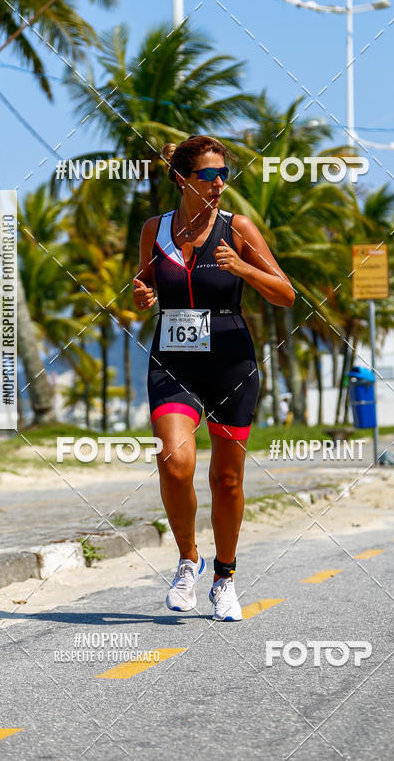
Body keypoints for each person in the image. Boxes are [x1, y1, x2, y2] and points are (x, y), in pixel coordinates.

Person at [134, 136, 295, 621]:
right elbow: (144, 280)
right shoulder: (154, 229)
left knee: (226, 479)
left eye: (224, 173)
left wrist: (243, 267)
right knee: (175, 462)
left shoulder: (237, 228)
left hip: (230, 361)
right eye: (209, 174)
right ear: (183, 179)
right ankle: (189, 560)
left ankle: (224, 576)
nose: (219, 182)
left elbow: (286, 294)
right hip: (173, 360)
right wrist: (142, 295)